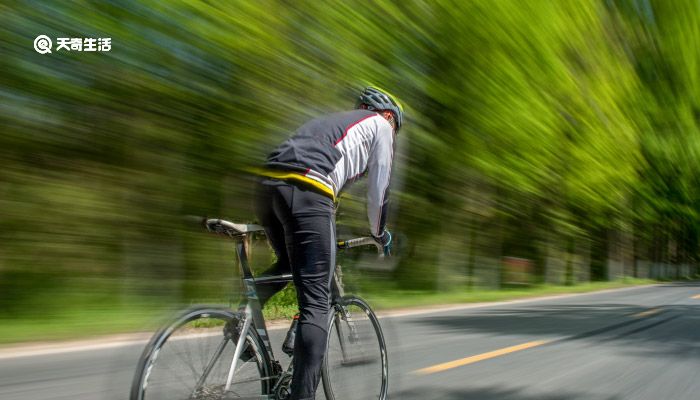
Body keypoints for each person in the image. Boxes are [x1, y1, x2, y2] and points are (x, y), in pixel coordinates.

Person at [254, 86, 403, 399]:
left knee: (288, 264)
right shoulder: (381, 127)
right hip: (308, 188)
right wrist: (379, 232)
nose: (395, 138)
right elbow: (379, 192)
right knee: (316, 305)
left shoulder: (335, 124)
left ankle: (244, 317)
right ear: (389, 116)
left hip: (268, 185)